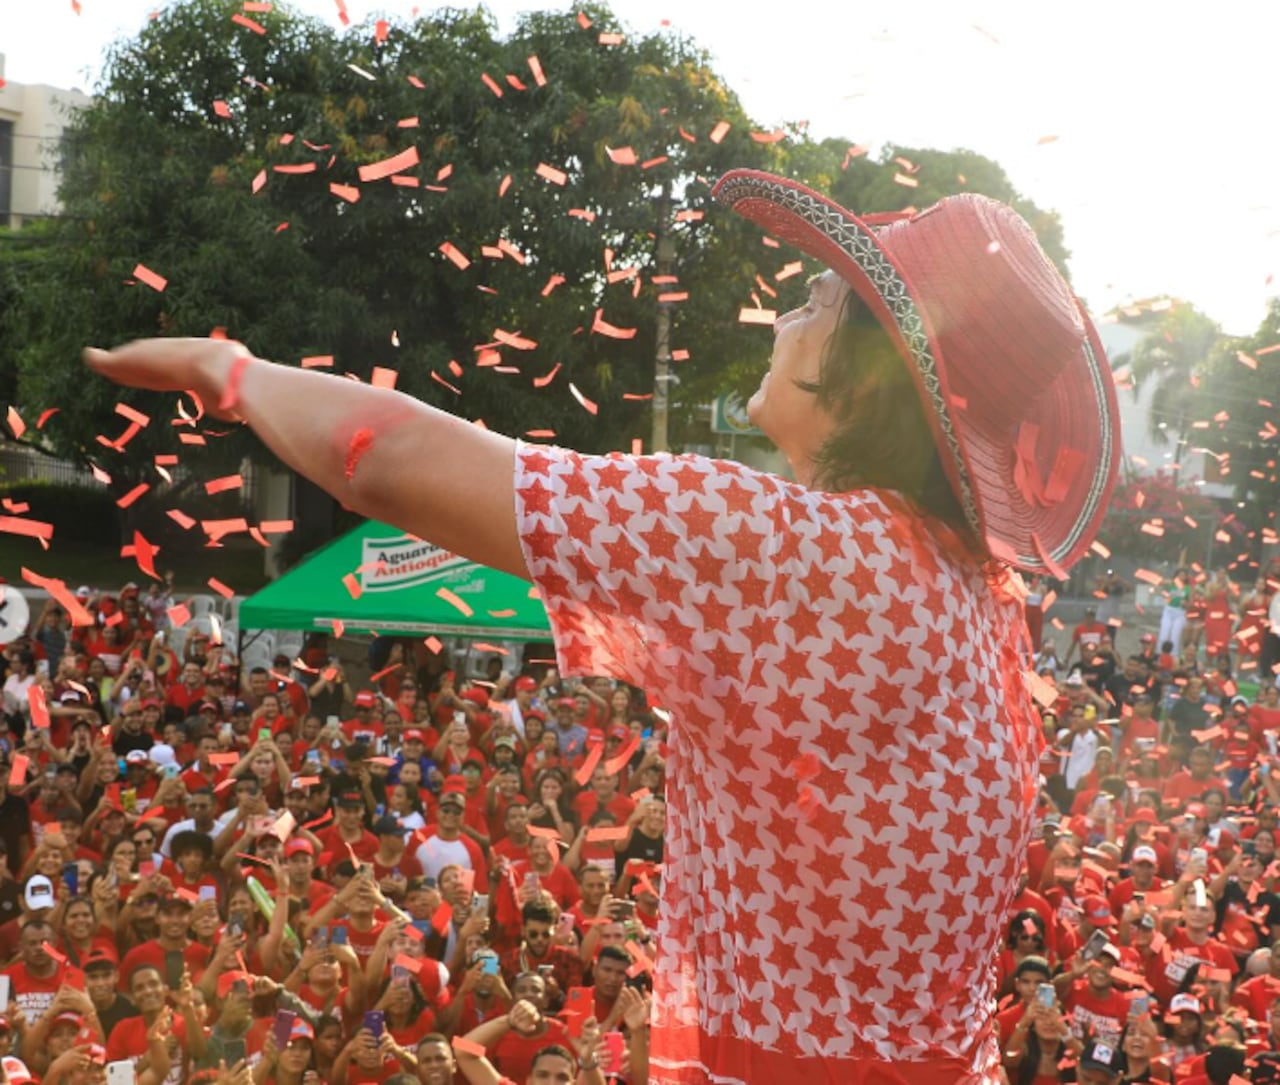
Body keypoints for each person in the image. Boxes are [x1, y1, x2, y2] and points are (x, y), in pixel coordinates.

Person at [85, 170, 1120, 1080]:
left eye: (819, 295)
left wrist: (231, 374)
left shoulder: (800, 549)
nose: (784, 307)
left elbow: (385, 457)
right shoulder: (978, 597)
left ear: (865, 366)